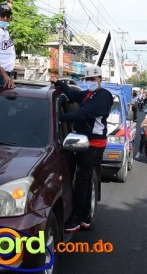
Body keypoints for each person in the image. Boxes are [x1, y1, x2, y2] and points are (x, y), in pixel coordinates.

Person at [51, 65, 113, 234]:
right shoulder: (87, 94)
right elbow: (72, 95)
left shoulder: (103, 96)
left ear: (100, 79)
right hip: (84, 142)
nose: (90, 82)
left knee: (82, 182)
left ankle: (77, 218)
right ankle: (85, 218)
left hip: (94, 145)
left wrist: (59, 117)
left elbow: (83, 114)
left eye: (93, 79)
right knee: (84, 180)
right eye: (87, 79)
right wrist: (60, 83)